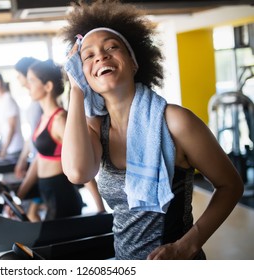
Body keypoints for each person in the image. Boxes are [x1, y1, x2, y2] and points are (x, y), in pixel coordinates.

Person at [61, 0, 243, 260]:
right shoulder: (96, 129)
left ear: (134, 63)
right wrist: (76, 90)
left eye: (112, 47)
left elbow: (230, 185)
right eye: (88, 55)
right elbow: (78, 173)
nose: (101, 55)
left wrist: (187, 245)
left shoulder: (175, 121)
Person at [15, 59, 84, 221]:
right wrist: (21, 193)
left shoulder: (60, 120)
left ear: (48, 86)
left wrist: (101, 211)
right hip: (47, 190)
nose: (27, 85)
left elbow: (79, 164)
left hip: (62, 195)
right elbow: (40, 157)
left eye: (32, 80)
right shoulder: (43, 117)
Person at [13, 57, 44, 221]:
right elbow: (32, 136)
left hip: (42, 162)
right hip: (35, 161)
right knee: (32, 212)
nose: (18, 80)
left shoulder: (41, 103)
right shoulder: (33, 100)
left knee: (31, 212)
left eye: (19, 75)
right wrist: (22, 160)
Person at [0, 72, 24, 158]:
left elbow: (12, 127)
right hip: (9, 147)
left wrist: (4, 149)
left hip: (15, 148)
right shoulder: (0, 100)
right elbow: (2, 124)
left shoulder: (8, 100)